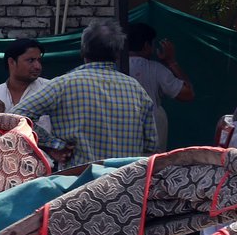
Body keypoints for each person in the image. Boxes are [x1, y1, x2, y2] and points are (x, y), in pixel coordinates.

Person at [12, 20, 157, 167]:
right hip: (124, 185)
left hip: (79, 184)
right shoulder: (137, 89)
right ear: (118, 54)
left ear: (83, 51)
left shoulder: (63, 85)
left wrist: (54, 144)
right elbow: (151, 145)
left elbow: (15, 116)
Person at [126, 21, 195, 151]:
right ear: (147, 45)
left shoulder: (114, 67)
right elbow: (187, 94)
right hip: (152, 137)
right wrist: (171, 61)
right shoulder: (155, 69)